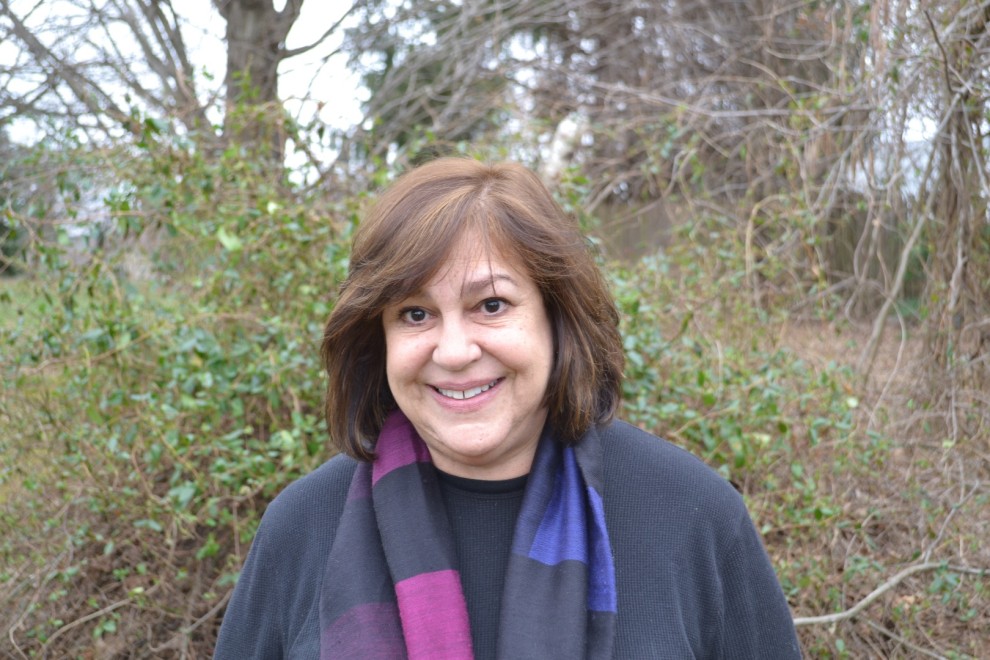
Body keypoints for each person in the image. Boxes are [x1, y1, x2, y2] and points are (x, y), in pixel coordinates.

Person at [214, 158, 802, 659]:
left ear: (557, 317)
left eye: (491, 304)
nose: (454, 351)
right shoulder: (302, 528)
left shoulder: (693, 517)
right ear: (378, 340)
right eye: (415, 314)